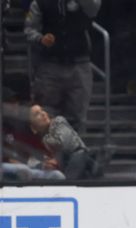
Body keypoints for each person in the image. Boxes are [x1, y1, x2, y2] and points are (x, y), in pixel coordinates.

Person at [24, 0, 102, 134]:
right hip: (50, 65)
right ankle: (48, 153)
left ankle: (74, 153)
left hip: (79, 64)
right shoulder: (40, 3)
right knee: (46, 115)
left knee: (77, 118)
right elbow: (29, 30)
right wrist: (40, 39)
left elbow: (94, 9)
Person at [28, 103, 98, 180]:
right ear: (33, 128)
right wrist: (44, 164)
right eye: (37, 114)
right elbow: (31, 162)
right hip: (63, 170)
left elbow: (62, 143)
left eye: (42, 110)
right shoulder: (35, 143)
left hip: (79, 158)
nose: (43, 114)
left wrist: (56, 160)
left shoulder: (58, 122)